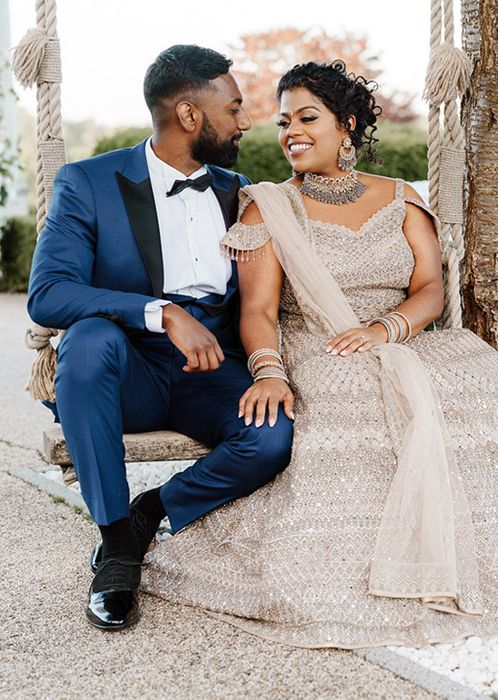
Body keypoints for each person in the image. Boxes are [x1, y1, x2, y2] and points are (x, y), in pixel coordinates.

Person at [142, 60, 498, 648]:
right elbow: (257, 310)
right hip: (320, 343)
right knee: (359, 401)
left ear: (348, 124)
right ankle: (359, 569)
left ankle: (491, 555)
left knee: (475, 391)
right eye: (283, 122)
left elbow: (431, 289)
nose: (290, 133)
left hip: (400, 336)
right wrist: (269, 372)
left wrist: (387, 329)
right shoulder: (267, 207)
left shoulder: (402, 198)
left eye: (308, 118)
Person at [26, 45, 294, 631]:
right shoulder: (88, 183)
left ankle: (153, 510)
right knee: (88, 340)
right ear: (189, 116)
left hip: (213, 369)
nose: (246, 121)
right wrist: (163, 313)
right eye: (234, 107)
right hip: (128, 367)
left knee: (272, 437)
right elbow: (48, 293)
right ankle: (117, 544)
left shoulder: (240, 190)